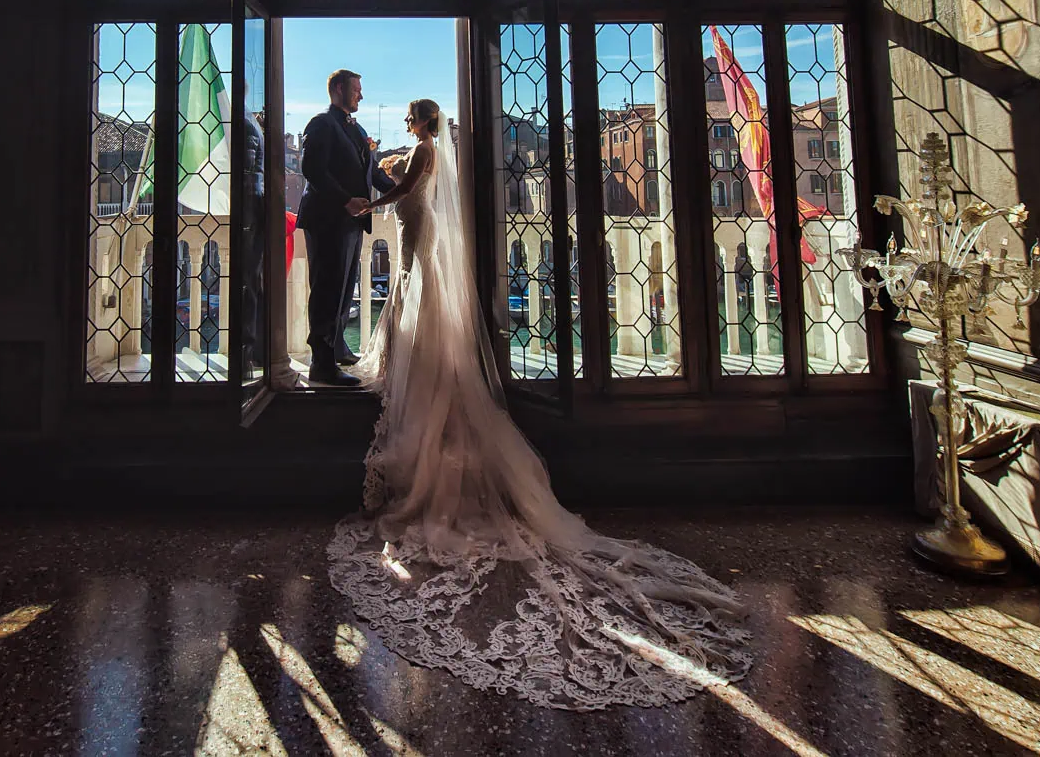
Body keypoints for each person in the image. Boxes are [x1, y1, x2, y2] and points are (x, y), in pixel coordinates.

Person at [329, 99, 751, 710]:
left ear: (422, 123)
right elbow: (412, 184)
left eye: (411, 120)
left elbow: (405, 192)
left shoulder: (423, 153)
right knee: (413, 311)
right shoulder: (428, 151)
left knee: (416, 313)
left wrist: (372, 196)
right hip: (417, 243)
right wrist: (383, 174)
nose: (408, 126)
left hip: (414, 240)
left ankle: (410, 382)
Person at [297, 69, 397, 387]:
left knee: (344, 289)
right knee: (327, 290)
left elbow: (372, 174)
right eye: (357, 89)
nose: (361, 95)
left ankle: (338, 348)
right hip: (327, 220)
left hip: (352, 222)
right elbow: (310, 169)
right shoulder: (321, 124)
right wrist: (345, 201)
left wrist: (404, 186)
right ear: (339, 88)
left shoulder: (357, 129)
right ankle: (321, 365)